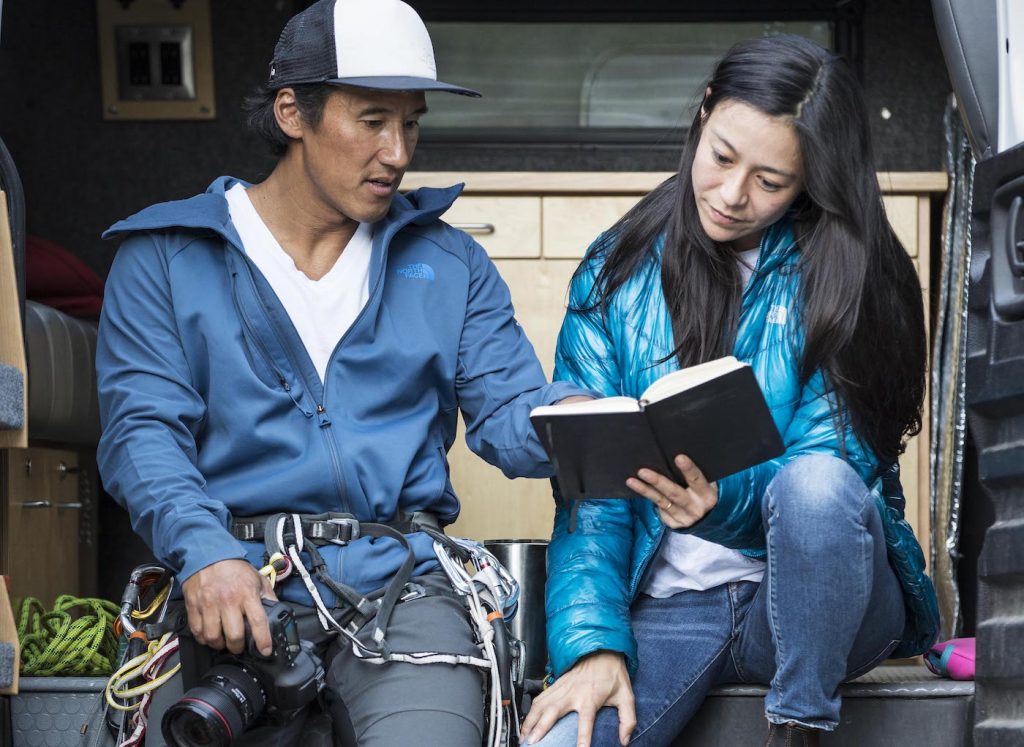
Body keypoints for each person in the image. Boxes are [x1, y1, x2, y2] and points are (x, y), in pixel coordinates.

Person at [96, 1, 592, 744]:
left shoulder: (451, 264)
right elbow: (141, 432)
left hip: (403, 586)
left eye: (412, 123)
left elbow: (509, 413)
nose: (398, 151)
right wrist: (204, 553)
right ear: (293, 112)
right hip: (234, 585)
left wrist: (590, 420)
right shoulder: (163, 259)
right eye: (371, 120)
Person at [520, 34, 940, 747]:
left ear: (813, 178)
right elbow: (592, 503)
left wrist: (716, 506)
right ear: (703, 114)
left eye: (771, 181)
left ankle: (801, 723)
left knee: (814, 485)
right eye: (721, 156)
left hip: (822, 603)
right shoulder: (616, 271)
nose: (732, 194)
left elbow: (829, 485)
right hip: (675, 605)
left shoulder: (853, 276)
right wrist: (592, 647)